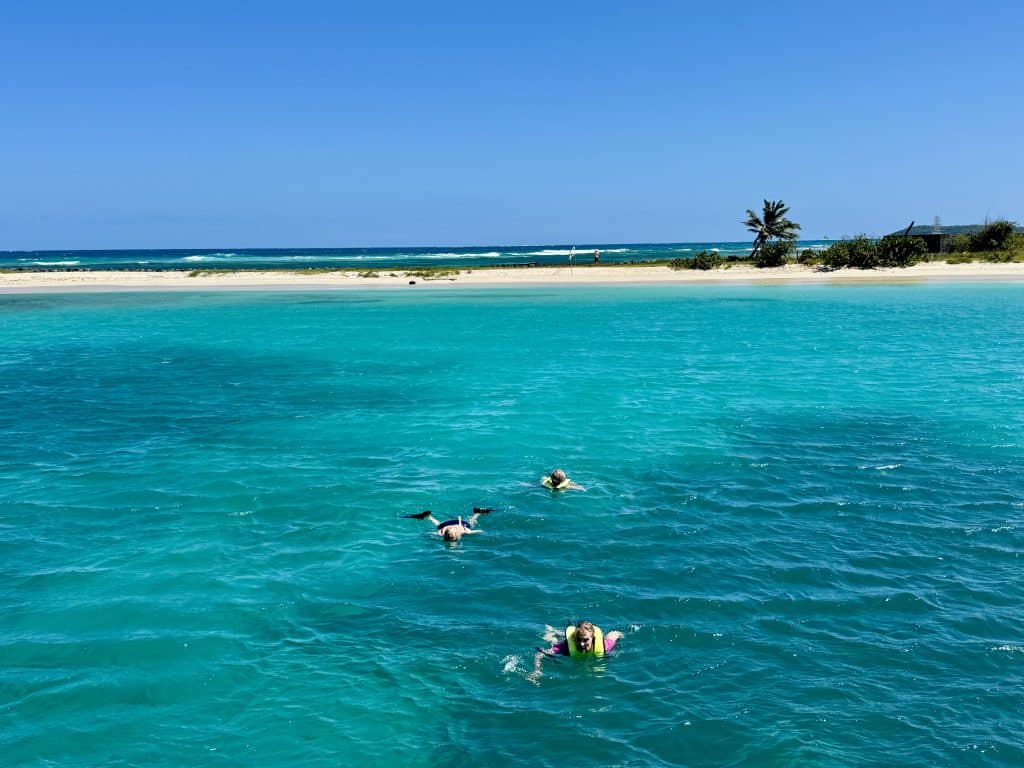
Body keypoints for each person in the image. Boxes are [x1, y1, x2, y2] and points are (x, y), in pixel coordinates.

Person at [529, 620, 623, 681]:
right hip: (564, 644)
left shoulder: (604, 645)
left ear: (593, 638)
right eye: (579, 639)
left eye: (585, 640)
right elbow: (539, 655)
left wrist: (622, 636)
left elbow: (616, 633)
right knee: (552, 640)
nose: (581, 644)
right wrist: (537, 670)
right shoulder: (566, 647)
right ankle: (551, 632)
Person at [404, 507, 491, 542]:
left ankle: (477, 514)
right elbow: (432, 534)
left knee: (471, 522)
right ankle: (477, 513)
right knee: (438, 524)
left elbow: (476, 531)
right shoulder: (441, 533)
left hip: (456, 524)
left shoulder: (464, 532)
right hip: (446, 525)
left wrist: (481, 531)